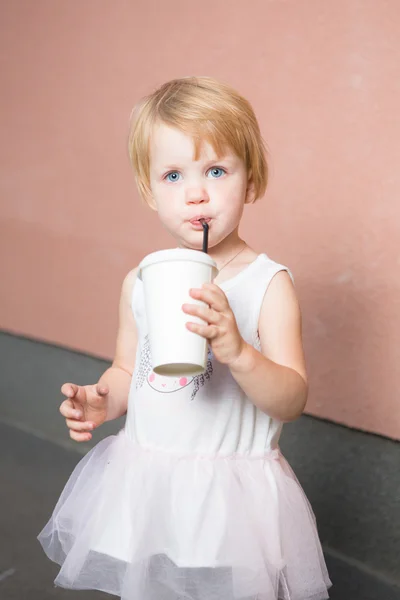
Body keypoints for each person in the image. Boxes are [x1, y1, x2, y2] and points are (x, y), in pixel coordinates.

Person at [38, 76, 332, 600]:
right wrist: (102, 400)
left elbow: (291, 399)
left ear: (251, 181)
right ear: (150, 191)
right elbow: (130, 369)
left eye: (216, 170)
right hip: (147, 477)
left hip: (230, 496)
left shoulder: (267, 284)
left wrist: (239, 353)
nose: (196, 192)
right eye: (173, 175)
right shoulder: (141, 282)